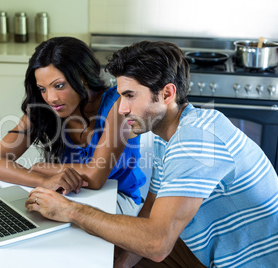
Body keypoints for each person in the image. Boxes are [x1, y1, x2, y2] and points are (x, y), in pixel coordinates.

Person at [25, 40, 278, 267]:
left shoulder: (195, 140)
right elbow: (149, 213)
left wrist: (70, 210)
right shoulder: (166, 136)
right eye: (121, 96)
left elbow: (156, 244)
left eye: (130, 96)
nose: (122, 109)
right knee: (104, 251)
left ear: (167, 94)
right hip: (201, 251)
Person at [0, 37, 146, 216]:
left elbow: (95, 176)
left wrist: (41, 167)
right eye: (42, 89)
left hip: (119, 200)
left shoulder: (117, 104)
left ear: (81, 78)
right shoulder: (44, 107)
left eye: (59, 86)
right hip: (71, 195)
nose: (51, 98)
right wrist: (43, 181)